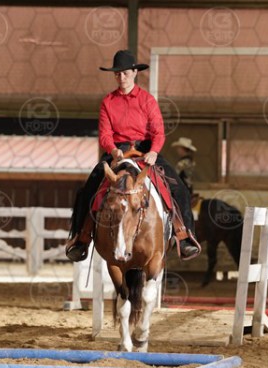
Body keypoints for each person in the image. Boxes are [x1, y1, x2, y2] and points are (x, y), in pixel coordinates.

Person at [65, 50, 201, 262]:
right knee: (88, 188)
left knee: (179, 188)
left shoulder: (147, 100)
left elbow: (158, 132)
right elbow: (105, 134)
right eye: (117, 74)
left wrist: (154, 152)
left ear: (135, 73)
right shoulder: (108, 101)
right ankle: (81, 238)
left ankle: (184, 236)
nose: (122, 77)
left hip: (146, 150)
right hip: (118, 151)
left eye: (126, 73)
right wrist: (113, 151)